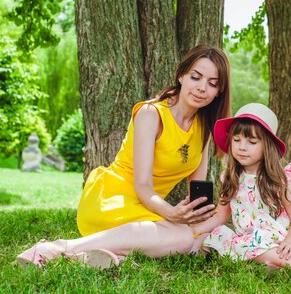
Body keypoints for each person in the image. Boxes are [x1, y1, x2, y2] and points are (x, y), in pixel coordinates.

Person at [17, 45, 231, 268]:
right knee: (184, 237)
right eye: (196, 77)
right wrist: (172, 215)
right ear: (181, 75)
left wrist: (199, 217)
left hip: (145, 211)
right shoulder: (151, 113)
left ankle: (97, 257)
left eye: (212, 83)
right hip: (111, 200)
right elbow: (143, 186)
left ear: (219, 91)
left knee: (204, 236)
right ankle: (57, 248)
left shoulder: (204, 129)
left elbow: (196, 194)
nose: (202, 88)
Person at [190, 103, 291, 282]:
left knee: (259, 247)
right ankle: (269, 265)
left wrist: (290, 242)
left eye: (251, 142)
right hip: (246, 237)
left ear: (267, 145)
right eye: (236, 140)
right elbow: (220, 216)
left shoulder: (278, 180)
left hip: (273, 238)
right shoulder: (231, 176)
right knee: (213, 236)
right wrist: (194, 230)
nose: (242, 147)